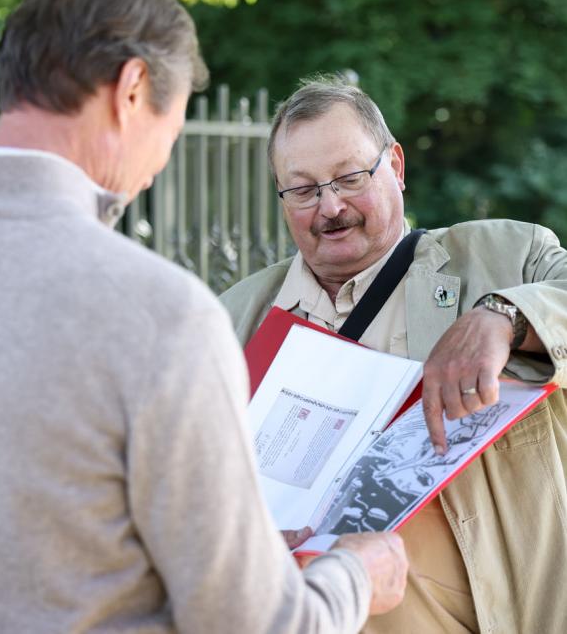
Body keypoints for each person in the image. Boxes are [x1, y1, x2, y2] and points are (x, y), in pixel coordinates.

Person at [0, 0, 408, 633]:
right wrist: (356, 576)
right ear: (132, 89)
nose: (156, 169)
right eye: (172, 127)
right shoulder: (164, 317)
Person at [220, 76, 567, 634]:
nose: (330, 207)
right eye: (303, 190)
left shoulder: (509, 256)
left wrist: (506, 315)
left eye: (350, 178)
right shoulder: (231, 321)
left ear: (397, 166)